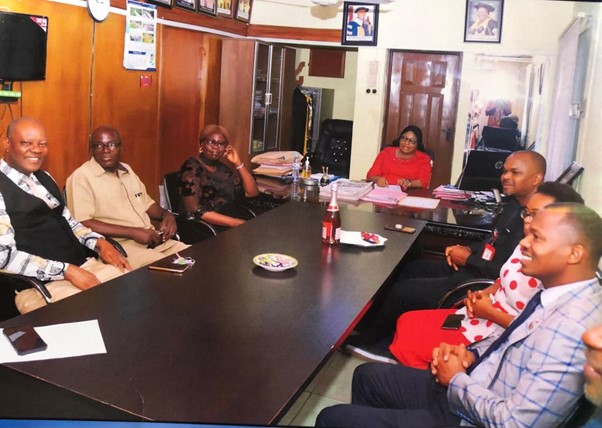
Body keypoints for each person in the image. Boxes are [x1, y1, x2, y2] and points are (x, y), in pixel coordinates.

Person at [318, 203, 602, 428]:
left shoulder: (570, 327)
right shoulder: (557, 292)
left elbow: (515, 423)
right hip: (477, 384)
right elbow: (509, 344)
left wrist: (455, 380)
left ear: (574, 253)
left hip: (470, 416)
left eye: (536, 237)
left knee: (331, 418)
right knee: (367, 376)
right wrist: (472, 355)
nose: (524, 244)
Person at [348, 150, 546, 356]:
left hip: (476, 281)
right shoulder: (514, 205)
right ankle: (368, 327)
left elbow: (505, 270)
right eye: (504, 171)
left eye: (514, 172)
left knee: (402, 292)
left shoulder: (533, 223)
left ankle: (378, 344)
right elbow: (492, 240)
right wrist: (468, 249)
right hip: (472, 267)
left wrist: (469, 259)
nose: (505, 176)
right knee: (408, 268)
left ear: (536, 178)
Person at [386, 182, 584, 368]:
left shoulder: (553, 269)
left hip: (498, 332)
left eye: (537, 215)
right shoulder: (525, 244)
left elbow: (532, 331)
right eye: (527, 214)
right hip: (484, 313)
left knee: (414, 338)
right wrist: (484, 294)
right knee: (406, 321)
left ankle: (423, 388)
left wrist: (488, 312)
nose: (529, 222)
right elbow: (503, 278)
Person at [0, 118, 130, 314]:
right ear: (6, 144)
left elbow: (70, 223)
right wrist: (66, 271)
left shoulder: (44, 177)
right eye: (26, 143)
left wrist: (98, 243)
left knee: (134, 292)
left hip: (83, 267)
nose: (37, 150)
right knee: (109, 314)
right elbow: (3, 256)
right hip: (42, 286)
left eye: (42, 144)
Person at [66, 126, 189, 270]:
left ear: (120, 148)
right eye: (98, 145)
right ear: (91, 150)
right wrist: (132, 232)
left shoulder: (127, 170)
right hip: (122, 248)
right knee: (172, 270)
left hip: (155, 240)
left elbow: (147, 204)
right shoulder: (81, 177)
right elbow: (83, 222)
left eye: (111, 145)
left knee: (195, 258)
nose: (105, 150)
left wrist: (166, 214)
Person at [177, 124, 259, 231]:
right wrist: (236, 223)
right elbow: (194, 209)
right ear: (202, 143)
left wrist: (238, 163)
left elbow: (252, 192)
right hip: (204, 227)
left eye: (221, 143)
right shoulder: (191, 167)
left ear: (226, 147)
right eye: (211, 142)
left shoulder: (224, 170)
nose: (216, 147)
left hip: (229, 223)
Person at [366, 125, 432, 191]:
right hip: (383, 190)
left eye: (411, 141)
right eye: (403, 138)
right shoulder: (386, 152)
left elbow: (423, 182)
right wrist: (377, 179)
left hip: (409, 194)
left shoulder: (423, 159)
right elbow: (370, 175)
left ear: (418, 144)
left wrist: (408, 183)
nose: (406, 143)